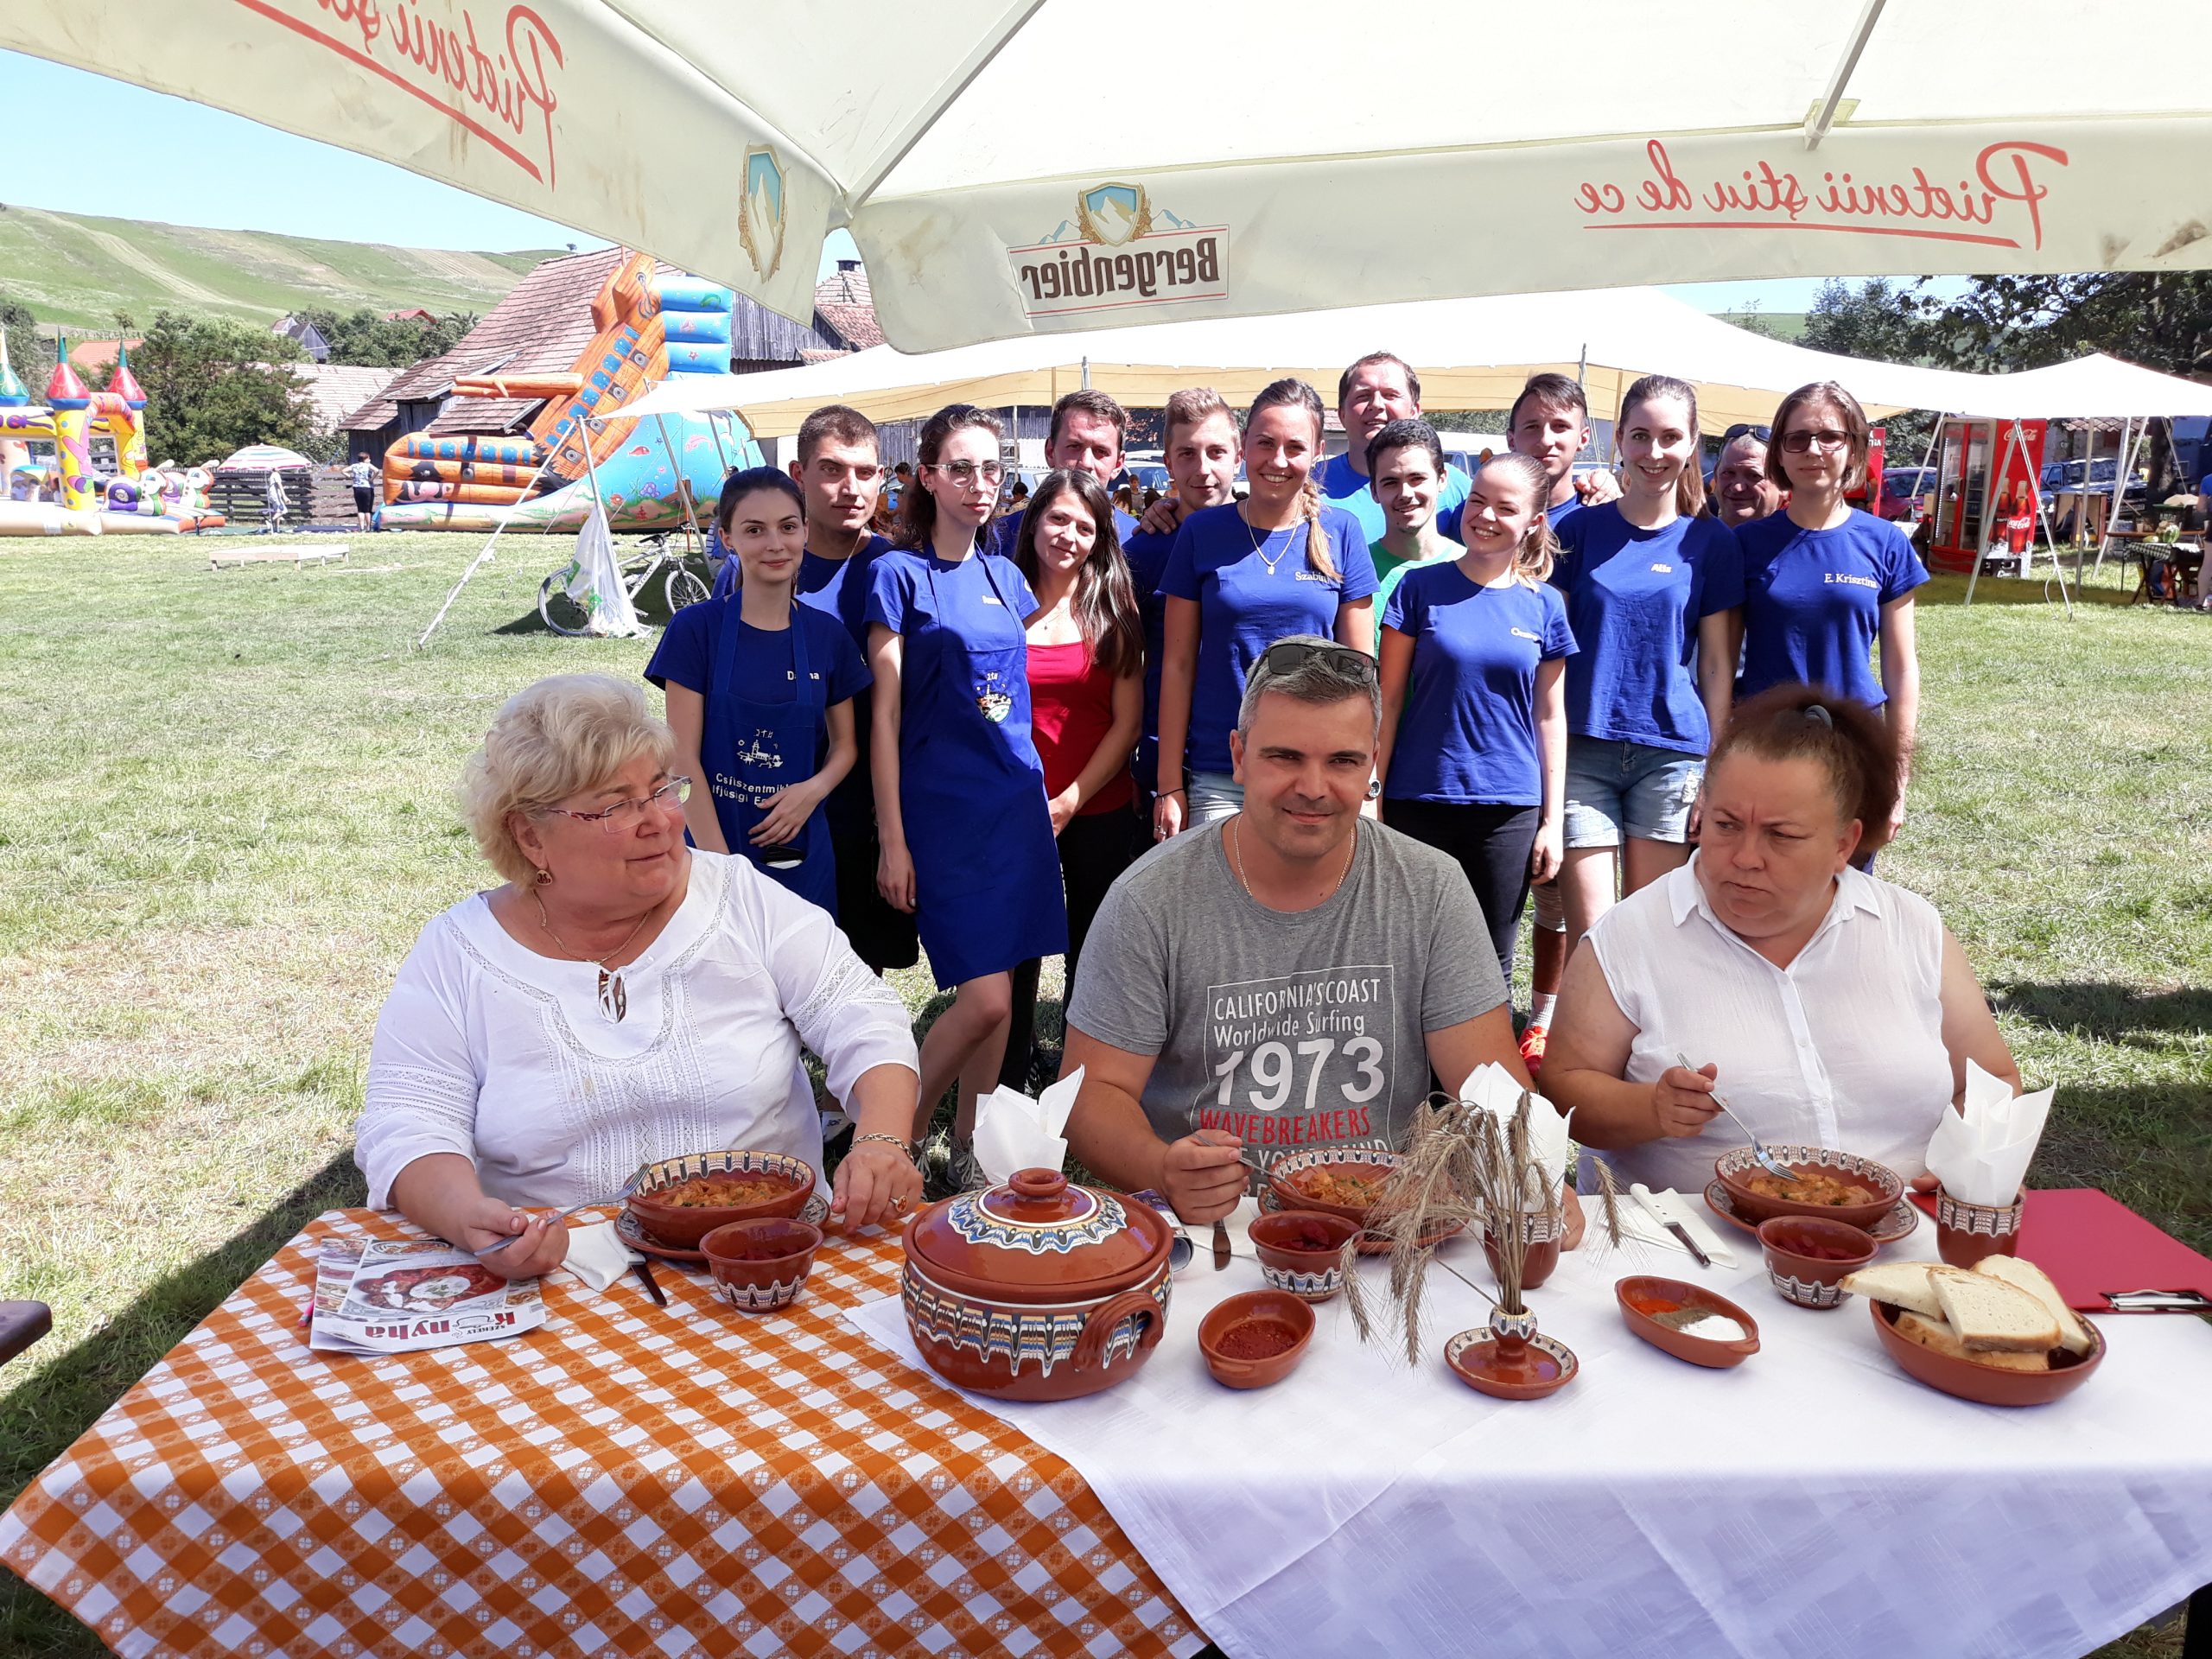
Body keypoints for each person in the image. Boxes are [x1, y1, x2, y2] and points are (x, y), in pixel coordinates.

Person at [356, 674, 925, 1275]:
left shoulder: (739, 899)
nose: (659, 821)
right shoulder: (460, 952)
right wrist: (470, 1218)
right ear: (530, 836)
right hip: (559, 1273)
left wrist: (882, 1140)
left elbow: (863, 1017)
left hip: (764, 1259)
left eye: (662, 790)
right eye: (616, 806)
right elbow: (408, 1120)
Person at [1063, 639, 1556, 1224]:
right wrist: (1162, 1167)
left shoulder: (1431, 887)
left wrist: (1530, 1182)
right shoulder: (1151, 898)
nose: (1314, 787)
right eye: (1285, 757)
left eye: (1343, 761)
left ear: (1373, 765)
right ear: (1239, 756)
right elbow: (1090, 1095)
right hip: (1217, 1227)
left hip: (1381, 1228)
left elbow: (1491, 1090)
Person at [1542, 685, 2021, 1196]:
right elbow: (1565, 1086)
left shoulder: (1911, 928)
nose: (1746, 857)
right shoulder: (1630, 936)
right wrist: (1651, 1109)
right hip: (1689, 1236)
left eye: (1781, 835)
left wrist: (1967, 1162)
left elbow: (1992, 1082)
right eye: (1726, 825)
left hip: (1902, 1229)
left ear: (1844, 844)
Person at [868, 404, 1068, 1187]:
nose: (980, 483)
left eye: (992, 468)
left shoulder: (1007, 577)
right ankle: (894, 1139)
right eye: (960, 468)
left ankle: (972, 1155)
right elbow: (884, 719)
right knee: (982, 1000)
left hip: (1014, 808)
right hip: (942, 815)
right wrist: (893, 838)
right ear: (926, 476)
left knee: (1008, 999)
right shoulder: (897, 575)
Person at [708, 407, 916, 972]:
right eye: (832, 470)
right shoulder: (751, 568)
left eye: (865, 472)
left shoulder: (897, 570)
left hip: (866, 811)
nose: (851, 488)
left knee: (856, 973)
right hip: (764, 808)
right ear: (798, 475)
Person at [1550, 373, 1743, 968]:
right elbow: (1550, 651)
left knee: (1654, 936)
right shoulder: (1577, 531)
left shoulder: (1710, 542)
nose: (1653, 452)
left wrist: (1715, 767)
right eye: (1639, 436)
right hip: (1583, 750)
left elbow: (1717, 664)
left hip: (1671, 754)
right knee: (1594, 937)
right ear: (1619, 441)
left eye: (1670, 437)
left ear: (1692, 445)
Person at [1378, 450, 1574, 982]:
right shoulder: (1418, 588)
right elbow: (1387, 700)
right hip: (1419, 798)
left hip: (1507, 808)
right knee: (1411, 956)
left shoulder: (1545, 605)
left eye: (1505, 508)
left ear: (1534, 521)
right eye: (1477, 501)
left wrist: (1552, 823)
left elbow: (1550, 717)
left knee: (1491, 962)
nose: (1485, 516)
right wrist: (1374, 793)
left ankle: (1486, 1045)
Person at [1154, 378, 1378, 836]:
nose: (1278, 460)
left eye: (1295, 447)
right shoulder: (1201, 533)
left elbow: (1362, 672)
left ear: (1317, 453)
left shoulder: (1342, 531)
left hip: (1317, 774)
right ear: (1245, 448)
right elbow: (1177, 666)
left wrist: (1367, 781)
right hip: (1222, 771)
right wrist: (1169, 784)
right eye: (1265, 443)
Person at [652, 467, 869, 915]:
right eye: (754, 530)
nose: (775, 544)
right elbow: (680, 758)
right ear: (727, 538)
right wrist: (722, 871)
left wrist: (812, 791)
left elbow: (846, 745)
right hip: (710, 851)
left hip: (802, 852)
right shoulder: (696, 630)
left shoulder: (828, 636)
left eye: (787, 527)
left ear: (805, 531)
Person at [997, 468, 1145, 1090]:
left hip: (1097, 806)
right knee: (1016, 947)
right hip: (1015, 808)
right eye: (1058, 519)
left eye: (1085, 527)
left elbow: (1127, 723)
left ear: (1100, 538)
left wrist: (1070, 800)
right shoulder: (1001, 602)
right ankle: (1008, 1073)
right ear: (1033, 522)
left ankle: (1083, 1077)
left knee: (1093, 945)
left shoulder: (1114, 610)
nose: (1069, 535)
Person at [1735, 382, 1926, 849]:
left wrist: (1897, 779)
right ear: (1780, 453)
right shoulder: (1745, 545)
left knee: (1846, 883)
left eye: (1829, 436)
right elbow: (1717, 664)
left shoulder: (1886, 543)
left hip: (1853, 746)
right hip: (1765, 747)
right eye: (1797, 438)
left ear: (1854, 447)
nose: (1813, 449)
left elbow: (1901, 669)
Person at [1503, 373, 1622, 1072]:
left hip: (1565, 728)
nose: (1545, 440)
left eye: (1560, 428)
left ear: (1583, 438)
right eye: (1532, 426)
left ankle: (1546, 1017)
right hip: (1492, 726)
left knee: (1559, 892)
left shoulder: (1593, 518)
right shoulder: (1477, 505)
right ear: (1510, 435)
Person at [1123, 387, 1240, 831]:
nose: (1203, 468)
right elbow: (1123, 666)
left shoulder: (1268, 539)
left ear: (1239, 456)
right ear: (1168, 463)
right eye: (1187, 454)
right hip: (1164, 765)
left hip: (1247, 756)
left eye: (1216, 452)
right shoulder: (1143, 552)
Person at [1315, 352, 1471, 543]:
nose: (1377, 405)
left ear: (1414, 411)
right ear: (1342, 414)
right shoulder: (1307, 486)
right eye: (1363, 396)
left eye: (1391, 395)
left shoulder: (1454, 486)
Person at [984, 389, 1137, 558]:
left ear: (1118, 464)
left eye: (1101, 451)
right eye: (1074, 446)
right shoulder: (998, 540)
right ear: (1050, 452)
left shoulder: (1136, 541)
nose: (1086, 463)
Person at [1365, 417, 1463, 613]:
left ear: (1442, 480)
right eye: (1391, 482)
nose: (1405, 494)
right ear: (1374, 491)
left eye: (1417, 478)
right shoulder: (1355, 571)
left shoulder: (1470, 567)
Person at [1707, 423, 1784, 529]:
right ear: (1716, 474)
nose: (1737, 488)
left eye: (1754, 476)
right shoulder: (1692, 536)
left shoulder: (1799, 538)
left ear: (1783, 484)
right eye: (1728, 473)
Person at [347, 451, 378, 531]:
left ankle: (361, 527)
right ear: (365, 459)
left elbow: (343, 471)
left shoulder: (354, 466)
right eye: (368, 458)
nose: (370, 460)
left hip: (357, 488)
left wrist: (351, 477)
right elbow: (377, 471)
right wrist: (371, 479)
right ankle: (368, 528)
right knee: (367, 510)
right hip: (367, 488)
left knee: (360, 509)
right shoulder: (368, 465)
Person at [262, 468, 287, 534]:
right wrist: (284, 496)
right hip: (275, 495)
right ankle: (270, 521)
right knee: (283, 510)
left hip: (272, 495)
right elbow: (279, 485)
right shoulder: (276, 474)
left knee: (277, 512)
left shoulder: (272, 475)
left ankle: (277, 528)